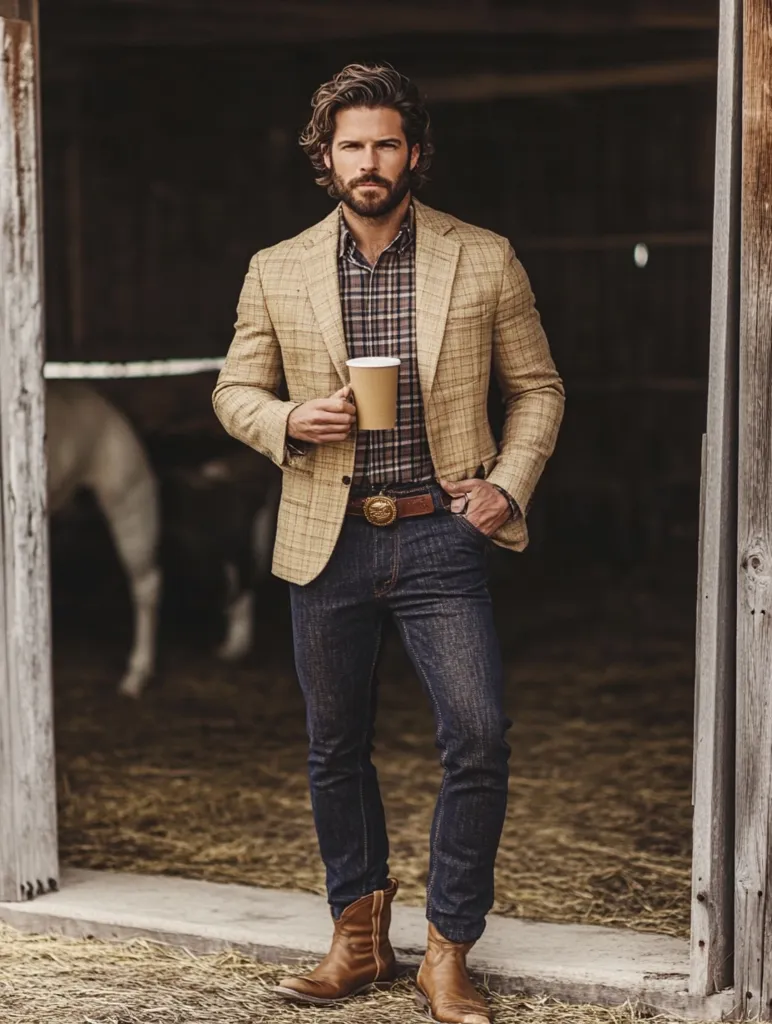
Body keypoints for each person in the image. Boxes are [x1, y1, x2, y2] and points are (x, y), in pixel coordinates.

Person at [213, 62, 564, 1024]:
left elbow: (539, 389)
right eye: (351, 146)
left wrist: (504, 487)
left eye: (387, 144)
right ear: (324, 157)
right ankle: (357, 942)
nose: (370, 163)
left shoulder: (483, 256)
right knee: (335, 748)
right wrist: (291, 421)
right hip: (325, 539)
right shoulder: (275, 267)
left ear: (415, 152)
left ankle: (447, 953)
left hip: (439, 534)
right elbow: (231, 392)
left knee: (479, 735)